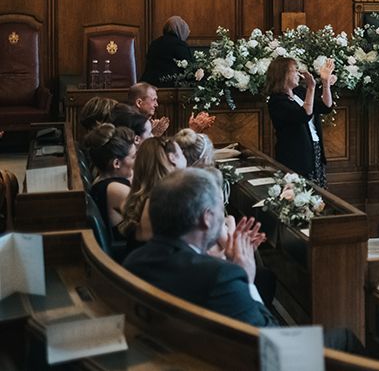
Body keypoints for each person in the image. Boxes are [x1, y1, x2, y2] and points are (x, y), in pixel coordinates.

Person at [124, 168, 277, 328]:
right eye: (219, 209)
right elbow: (268, 337)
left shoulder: (134, 261)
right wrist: (247, 280)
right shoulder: (220, 277)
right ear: (207, 218)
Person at [265, 56, 335, 188]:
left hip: (314, 149)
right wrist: (311, 88)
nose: (298, 74)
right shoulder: (277, 101)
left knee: (318, 194)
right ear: (283, 74)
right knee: (301, 194)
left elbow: (326, 107)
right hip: (295, 155)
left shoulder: (300, 92)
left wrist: (325, 83)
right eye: (294, 71)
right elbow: (304, 115)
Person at [118, 136, 187, 249]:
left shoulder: (147, 197)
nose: (185, 157)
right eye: (182, 153)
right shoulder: (163, 202)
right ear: (172, 158)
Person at [85, 123, 136, 240]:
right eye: (133, 157)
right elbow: (151, 218)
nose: (137, 160)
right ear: (116, 163)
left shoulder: (101, 180)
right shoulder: (115, 189)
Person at [140, 16, 193, 87]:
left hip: (148, 86)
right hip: (171, 86)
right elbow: (189, 69)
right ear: (181, 30)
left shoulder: (155, 43)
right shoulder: (180, 45)